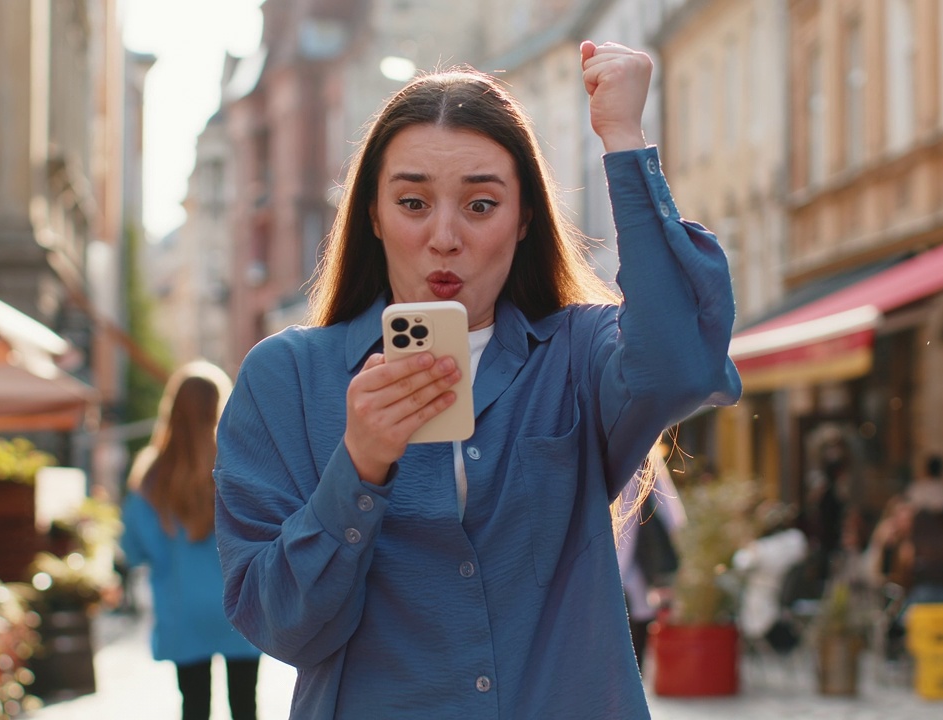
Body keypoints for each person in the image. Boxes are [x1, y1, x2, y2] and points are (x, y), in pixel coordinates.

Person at [214, 41, 740, 718]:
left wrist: (625, 142)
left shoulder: (578, 354)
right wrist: (359, 470)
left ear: (524, 219)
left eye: (481, 205)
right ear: (372, 213)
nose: (444, 236)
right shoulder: (285, 377)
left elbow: (682, 362)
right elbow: (278, 625)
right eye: (412, 202)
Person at [120, 362, 262, 720]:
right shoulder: (242, 467)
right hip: (239, 607)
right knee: (246, 706)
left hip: (181, 610)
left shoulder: (150, 477)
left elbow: (134, 550)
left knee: (194, 708)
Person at [616, 461, 683, 672]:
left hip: (606, 563)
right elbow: (673, 517)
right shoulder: (645, 455)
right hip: (634, 564)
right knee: (636, 633)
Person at [731, 502, 807, 653]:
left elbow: (739, 563)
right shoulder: (795, 540)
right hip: (786, 600)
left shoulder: (763, 549)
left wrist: (748, 545)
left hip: (763, 605)